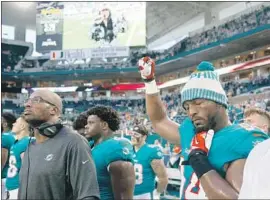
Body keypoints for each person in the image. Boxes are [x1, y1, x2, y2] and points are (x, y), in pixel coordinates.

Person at [138, 57, 269, 199]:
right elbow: (159, 121)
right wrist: (149, 82)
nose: (191, 111)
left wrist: (199, 161)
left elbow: (238, 198)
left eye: (198, 103)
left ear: (220, 103)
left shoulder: (243, 138)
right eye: (187, 106)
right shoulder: (191, 130)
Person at [18, 89, 100, 200]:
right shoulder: (30, 146)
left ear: (53, 110)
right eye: (28, 100)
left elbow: (88, 195)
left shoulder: (74, 142)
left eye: (36, 100)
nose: (27, 104)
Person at [84, 105, 135, 200]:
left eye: (91, 123)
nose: (86, 126)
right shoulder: (89, 146)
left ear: (104, 125)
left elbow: (124, 195)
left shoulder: (115, 147)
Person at [131, 125, 168, 199]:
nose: (133, 136)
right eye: (132, 134)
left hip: (145, 194)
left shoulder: (152, 151)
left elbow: (163, 178)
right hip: (128, 193)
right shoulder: (128, 150)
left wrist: (157, 193)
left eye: (136, 134)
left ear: (144, 137)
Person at [6, 116, 31, 199]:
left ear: (22, 126)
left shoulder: (26, 142)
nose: (13, 124)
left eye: (16, 122)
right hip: (12, 187)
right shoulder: (17, 142)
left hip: (18, 188)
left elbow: (27, 169)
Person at [1, 112, 16, 200]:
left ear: (5, 124)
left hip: (3, 176)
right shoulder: (14, 135)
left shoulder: (5, 137)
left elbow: (1, 161)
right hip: (11, 176)